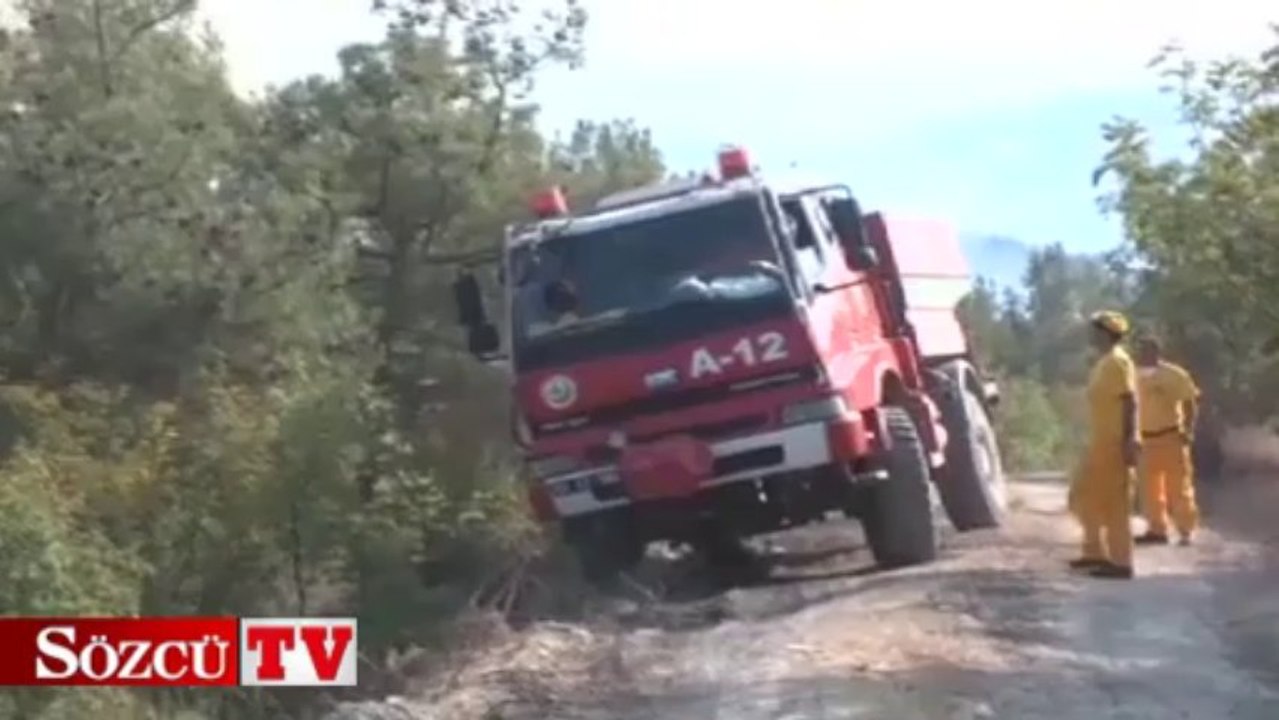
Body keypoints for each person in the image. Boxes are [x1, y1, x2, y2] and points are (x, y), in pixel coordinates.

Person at [1068, 310, 1141, 579]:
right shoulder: (1104, 362)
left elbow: (1130, 401)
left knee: (1115, 503)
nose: (1091, 334)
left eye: (1095, 329)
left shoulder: (1119, 362)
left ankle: (1121, 562)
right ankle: (1094, 552)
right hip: (1099, 442)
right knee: (1085, 497)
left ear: (1105, 333)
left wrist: (1130, 438)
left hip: (1114, 442)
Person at [1134, 335, 1201, 546]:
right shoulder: (1132, 376)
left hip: (1171, 436)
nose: (1145, 353)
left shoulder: (1174, 375)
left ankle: (1185, 530)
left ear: (1157, 352)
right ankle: (1156, 530)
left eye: (1149, 349)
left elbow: (1189, 402)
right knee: (1149, 488)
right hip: (1144, 439)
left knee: (1178, 487)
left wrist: (1188, 430)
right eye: (1141, 349)